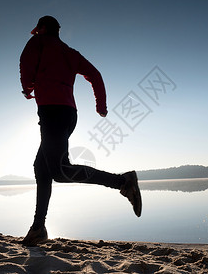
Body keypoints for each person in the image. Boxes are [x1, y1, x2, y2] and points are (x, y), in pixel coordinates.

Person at [19, 16, 142, 246]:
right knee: (42, 168)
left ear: (43, 29)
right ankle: (38, 228)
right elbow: (95, 75)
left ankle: (123, 182)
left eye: (38, 31)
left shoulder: (38, 42)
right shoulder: (70, 53)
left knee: (59, 171)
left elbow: (25, 64)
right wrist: (101, 106)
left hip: (51, 113)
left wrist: (27, 89)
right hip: (68, 114)